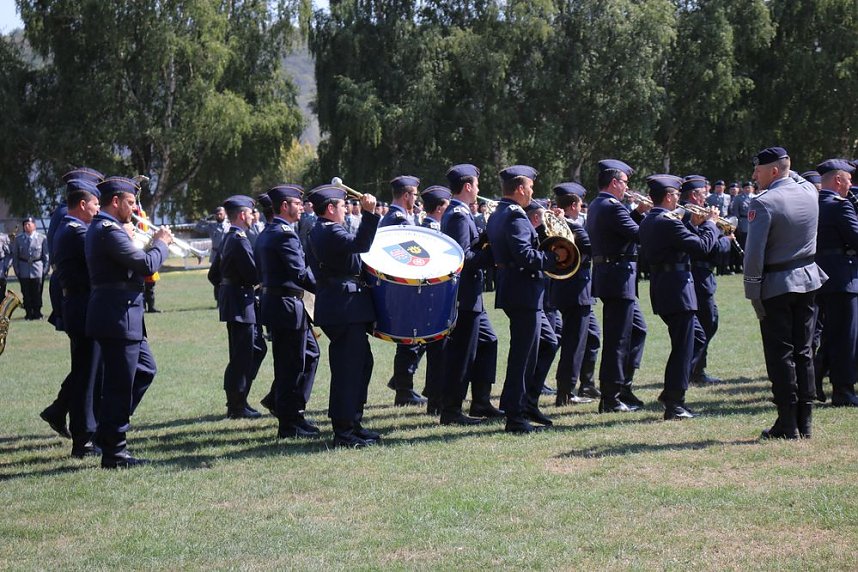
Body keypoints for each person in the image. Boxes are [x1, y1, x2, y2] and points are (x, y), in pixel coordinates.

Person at [86, 176, 174, 468]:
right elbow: (147, 265)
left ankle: (108, 431)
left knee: (144, 370)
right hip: (117, 315)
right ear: (116, 202)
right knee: (119, 385)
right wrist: (160, 243)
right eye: (131, 202)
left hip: (124, 314)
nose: (135, 208)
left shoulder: (111, 229)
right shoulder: (107, 230)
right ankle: (115, 450)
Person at [744, 147, 826, 440]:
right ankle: (805, 421)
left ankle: (787, 422)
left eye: (758, 170)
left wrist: (753, 291)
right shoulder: (809, 192)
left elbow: (753, 255)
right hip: (808, 279)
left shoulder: (764, 203)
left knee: (781, 355)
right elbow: (802, 179)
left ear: (774, 171)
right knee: (804, 352)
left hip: (777, 284)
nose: (754, 175)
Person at [486, 165, 566, 433]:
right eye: (530, 187)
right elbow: (526, 256)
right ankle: (516, 416)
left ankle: (527, 403)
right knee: (524, 356)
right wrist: (553, 259)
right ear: (520, 189)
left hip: (517, 291)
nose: (532, 191)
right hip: (523, 292)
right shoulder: (515, 217)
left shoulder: (501, 213)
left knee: (547, 342)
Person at [306, 184, 381, 448]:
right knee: (349, 371)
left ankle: (353, 423)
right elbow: (361, 244)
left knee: (361, 365)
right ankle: (344, 431)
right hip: (343, 308)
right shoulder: (330, 230)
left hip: (341, 306)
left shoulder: (321, 230)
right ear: (330, 208)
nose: (345, 209)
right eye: (341, 206)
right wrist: (369, 214)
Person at [639, 175, 719, 419]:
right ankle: (675, 402)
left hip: (667, 288)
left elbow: (681, 244)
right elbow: (700, 248)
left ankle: (673, 391)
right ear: (670, 196)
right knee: (684, 346)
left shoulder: (651, 220)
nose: (678, 199)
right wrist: (710, 224)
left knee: (696, 337)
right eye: (675, 194)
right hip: (676, 291)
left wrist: (695, 225)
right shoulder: (667, 222)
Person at [38, 167, 105, 440]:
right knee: (85, 366)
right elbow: (62, 260)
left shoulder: (74, 220)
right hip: (74, 293)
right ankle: (81, 428)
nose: (99, 202)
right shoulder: (66, 219)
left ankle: (61, 410)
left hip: (78, 293)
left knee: (87, 366)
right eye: (96, 194)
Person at [439, 164, 502, 425]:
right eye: (476, 184)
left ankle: (481, 401)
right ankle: (451, 411)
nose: (478, 189)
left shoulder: (461, 213)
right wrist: (493, 253)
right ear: (467, 187)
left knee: (488, 342)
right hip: (464, 296)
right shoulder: (457, 215)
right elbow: (462, 256)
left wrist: (489, 234)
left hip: (472, 295)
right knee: (463, 353)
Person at [256, 184, 321, 438]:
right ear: (285, 206)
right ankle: (288, 424)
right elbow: (300, 273)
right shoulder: (284, 234)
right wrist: (326, 287)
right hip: (286, 307)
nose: (302, 207)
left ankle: (294, 412)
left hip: (285, 305)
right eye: (297, 203)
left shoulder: (271, 231)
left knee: (308, 355)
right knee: (290, 366)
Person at [586, 159, 649, 413]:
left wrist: (639, 212)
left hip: (615, 276)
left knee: (636, 330)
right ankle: (610, 397)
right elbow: (639, 235)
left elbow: (621, 233)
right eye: (624, 182)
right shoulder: (613, 207)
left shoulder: (602, 204)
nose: (627, 187)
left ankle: (623, 386)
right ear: (614, 183)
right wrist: (654, 217)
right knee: (618, 339)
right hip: (617, 278)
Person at [214, 195, 268, 419]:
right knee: (242, 354)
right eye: (251, 213)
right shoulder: (238, 239)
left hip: (238, 299)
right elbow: (252, 273)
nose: (253, 216)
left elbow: (213, 273)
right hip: (240, 301)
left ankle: (240, 399)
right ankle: (236, 405)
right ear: (242, 214)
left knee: (255, 349)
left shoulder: (231, 237)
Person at [379, 175, 427, 406]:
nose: (416, 200)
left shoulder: (396, 217)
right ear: (406, 195)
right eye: (415, 195)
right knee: (411, 340)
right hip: (404, 289)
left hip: (402, 288)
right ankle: (403, 389)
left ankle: (401, 382)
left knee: (415, 339)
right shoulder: (399, 219)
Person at [813, 159, 858, 408]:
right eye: (849, 179)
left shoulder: (815, 203)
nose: (850, 185)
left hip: (821, 276)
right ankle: (843, 391)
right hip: (843, 277)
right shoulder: (841, 206)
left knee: (832, 333)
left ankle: (818, 370)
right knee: (845, 337)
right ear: (838, 180)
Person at [550, 182, 600, 405]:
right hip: (576, 292)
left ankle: (586, 384)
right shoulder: (574, 228)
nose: (582, 208)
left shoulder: (562, 225)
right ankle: (566, 392)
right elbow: (594, 247)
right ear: (573, 205)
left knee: (591, 337)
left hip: (573, 291)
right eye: (580, 204)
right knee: (574, 342)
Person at [680, 176, 733, 385]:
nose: (707, 197)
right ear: (694, 195)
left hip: (703, 275)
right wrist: (725, 241)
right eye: (704, 193)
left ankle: (696, 369)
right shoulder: (687, 215)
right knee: (705, 323)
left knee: (708, 322)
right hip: (697, 275)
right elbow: (707, 248)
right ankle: (693, 371)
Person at [416, 185, 452, 413]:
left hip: (434, 298)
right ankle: (436, 401)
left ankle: (435, 396)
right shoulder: (430, 230)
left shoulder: (430, 226)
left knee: (438, 351)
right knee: (439, 352)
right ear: (440, 208)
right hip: (434, 299)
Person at [12, 215, 49, 320]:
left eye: (29, 224)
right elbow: (15, 256)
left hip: (37, 268)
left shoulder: (42, 238)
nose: (27, 226)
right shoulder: (19, 239)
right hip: (24, 269)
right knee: (26, 293)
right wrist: (17, 270)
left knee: (37, 292)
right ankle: (28, 313)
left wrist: (45, 270)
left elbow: (46, 256)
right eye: (25, 224)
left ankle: (37, 313)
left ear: (34, 225)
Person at [0, 229, 10, 299]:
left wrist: (6, 265)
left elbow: (9, 253)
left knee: (1, 293)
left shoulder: (4, 237)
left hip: (1, 265)